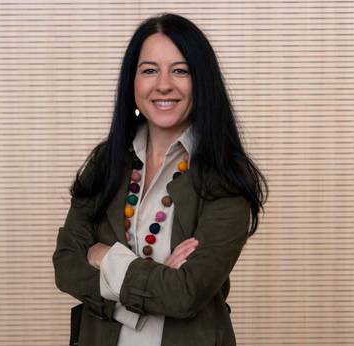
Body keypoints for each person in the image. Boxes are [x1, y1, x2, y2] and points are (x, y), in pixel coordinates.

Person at [52, 13, 268, 346]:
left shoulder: (226, 176)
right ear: (133, 82)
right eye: (149, 70)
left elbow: (185, 294)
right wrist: (158, 280)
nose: (163, 84)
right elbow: (66, 266)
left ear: (202, 82)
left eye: (180, 70)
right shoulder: (106, 162)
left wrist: (106, 256)